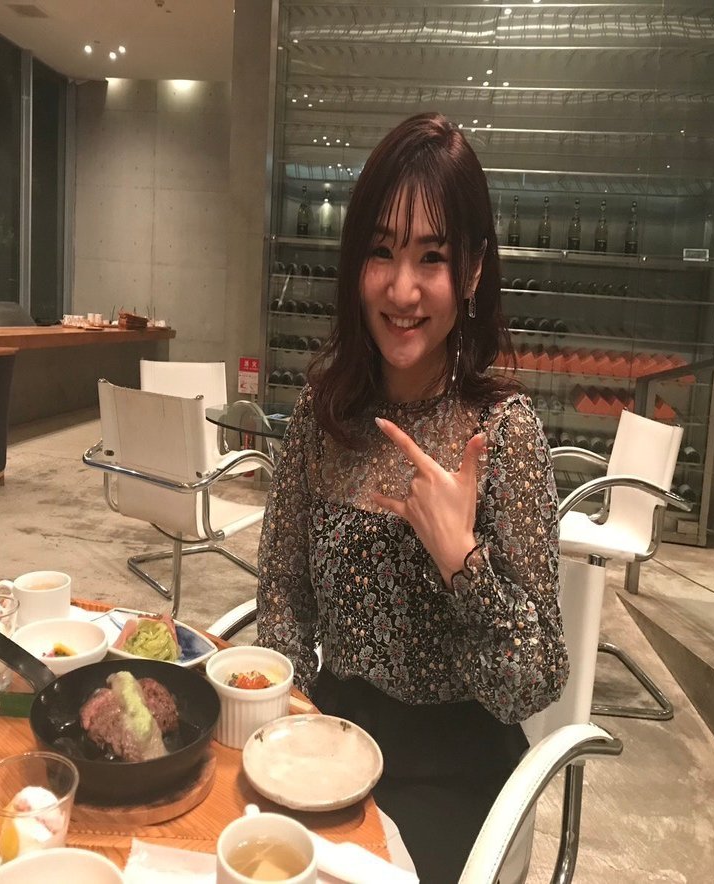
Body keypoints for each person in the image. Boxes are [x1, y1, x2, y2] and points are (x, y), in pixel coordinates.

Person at [256, 112, 569, 882]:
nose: (402, 289)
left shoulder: (504, 434)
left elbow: (532, 681)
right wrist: (286, 712)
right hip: (327, 743)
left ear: (472, 271)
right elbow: (284, 584)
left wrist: (461, 561)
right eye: (381, 252)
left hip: (453, 769)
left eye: (432, 257)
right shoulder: (322, 413)